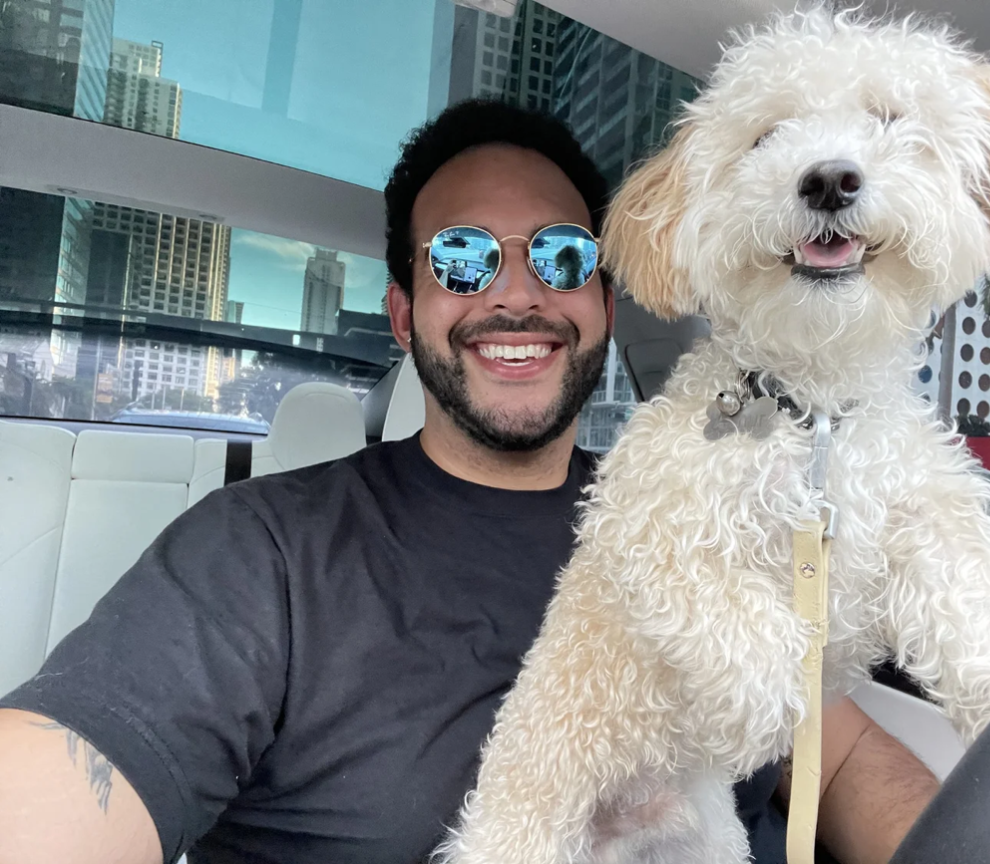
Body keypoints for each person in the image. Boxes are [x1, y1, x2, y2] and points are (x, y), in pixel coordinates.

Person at [0, 99, 939, 864]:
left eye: (562, 256)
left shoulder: (699, 522)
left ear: (604, 307)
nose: (517, 293)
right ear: (406, 316)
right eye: (463, 258)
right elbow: (68, 779)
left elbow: (842, 753)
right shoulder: (262, 551)